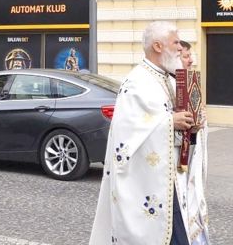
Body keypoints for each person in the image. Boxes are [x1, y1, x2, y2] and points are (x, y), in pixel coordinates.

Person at [89, 21, 198, 245]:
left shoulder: (168, 78)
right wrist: (170, 122)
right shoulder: (136, 82)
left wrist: (191, 127)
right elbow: (126, 135)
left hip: (170, 180)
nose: (180, 48)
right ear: (158, 46)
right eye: (175, 42)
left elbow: (174, 127)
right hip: (147, 183)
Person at [178, 40, 210, 244]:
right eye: (186, 56)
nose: (191, 60)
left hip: (188, 162)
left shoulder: (189, 82)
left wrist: (197, 126)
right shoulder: (164, 84)